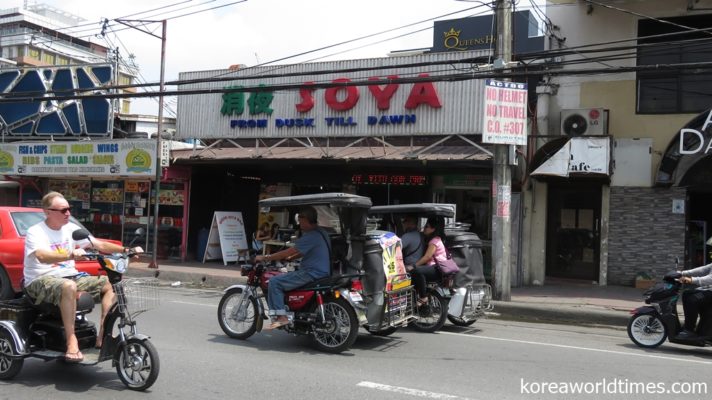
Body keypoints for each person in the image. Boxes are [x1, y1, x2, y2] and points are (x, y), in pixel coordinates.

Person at [23, 191, 143, 363]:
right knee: (68, 286)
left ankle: (103, 333)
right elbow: (42, 256)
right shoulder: (36, 232)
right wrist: (70, 255)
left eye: (69, 209)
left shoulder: (71, 229)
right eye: (63, 210)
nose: (68, 213)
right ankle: (72, 341)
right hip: (40, 279)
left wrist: (126, 250)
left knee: (111, 282)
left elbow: (99, 244)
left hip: (70, 276)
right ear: (48, 212)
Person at [254, 206, 330, 329]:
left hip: (311, 272)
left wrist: (265, 257)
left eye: (300, 221)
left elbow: (288, 251)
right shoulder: (322, 232)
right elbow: (304, 251)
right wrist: (292, 258)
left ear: (305, 219)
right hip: (323, 271)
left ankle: (281, 317)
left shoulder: (310, 236)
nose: (299, 224)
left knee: (274, 282)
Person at [410, 217, 448, 307]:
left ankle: (423, 297)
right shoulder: (437, 239)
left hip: (437, 269)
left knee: (416, 271)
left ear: (433, 229)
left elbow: (427, 257)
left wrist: (414, 266)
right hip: (437, 269)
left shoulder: (434, 241)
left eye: (427, 226)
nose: (424, 229)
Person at [675, 263, 712, 340]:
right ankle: (698, 329)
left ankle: (689, 330)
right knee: (686, 293)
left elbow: (710, 279)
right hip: (709, 291)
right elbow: (703, 269)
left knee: (692, 300)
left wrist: (691, 280)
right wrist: (682, 273)